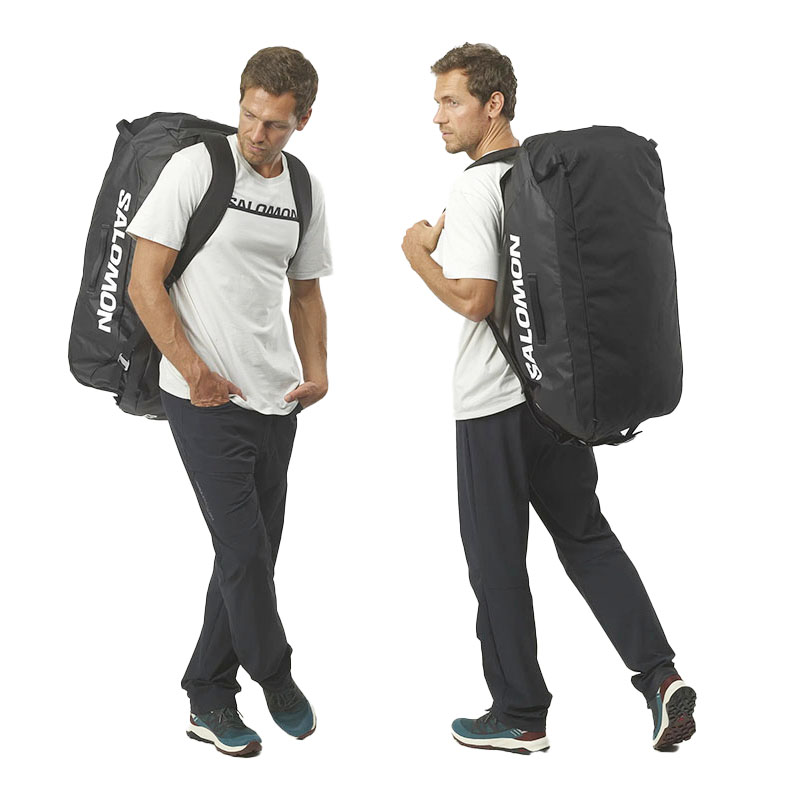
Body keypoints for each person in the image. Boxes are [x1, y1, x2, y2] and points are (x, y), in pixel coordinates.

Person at [401, 42, 696, 754]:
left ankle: (519, 714)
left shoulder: (479, 186)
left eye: (451, 101)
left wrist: (416, 255)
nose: (437, 116)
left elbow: (475, 299)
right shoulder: (541, 179)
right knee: (586, 537)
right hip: (558, 400)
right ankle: (660, 678)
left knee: (495, 561)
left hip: (493, 409)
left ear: (493, 104)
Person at [126, 46, 332, 757]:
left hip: (277, 397)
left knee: (251, 555)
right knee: (244, 550)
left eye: (275, 124)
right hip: (203, 397)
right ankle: (276, 675)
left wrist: (317, 371)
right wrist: (194, 370)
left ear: (303, 120)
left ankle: (208, 695)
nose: (256, 133)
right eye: (249, 115)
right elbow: (144, 281)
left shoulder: (302, 186)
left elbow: (306, 292)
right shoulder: (199, 167)